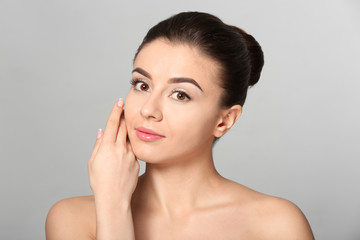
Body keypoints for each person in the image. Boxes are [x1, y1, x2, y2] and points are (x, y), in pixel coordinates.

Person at [45, 11, 314, 239]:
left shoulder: (276, 225)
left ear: (224, 120)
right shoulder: (73, 219)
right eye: (142, 85)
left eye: (180, 94)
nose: (149, 110)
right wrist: (113, 207)